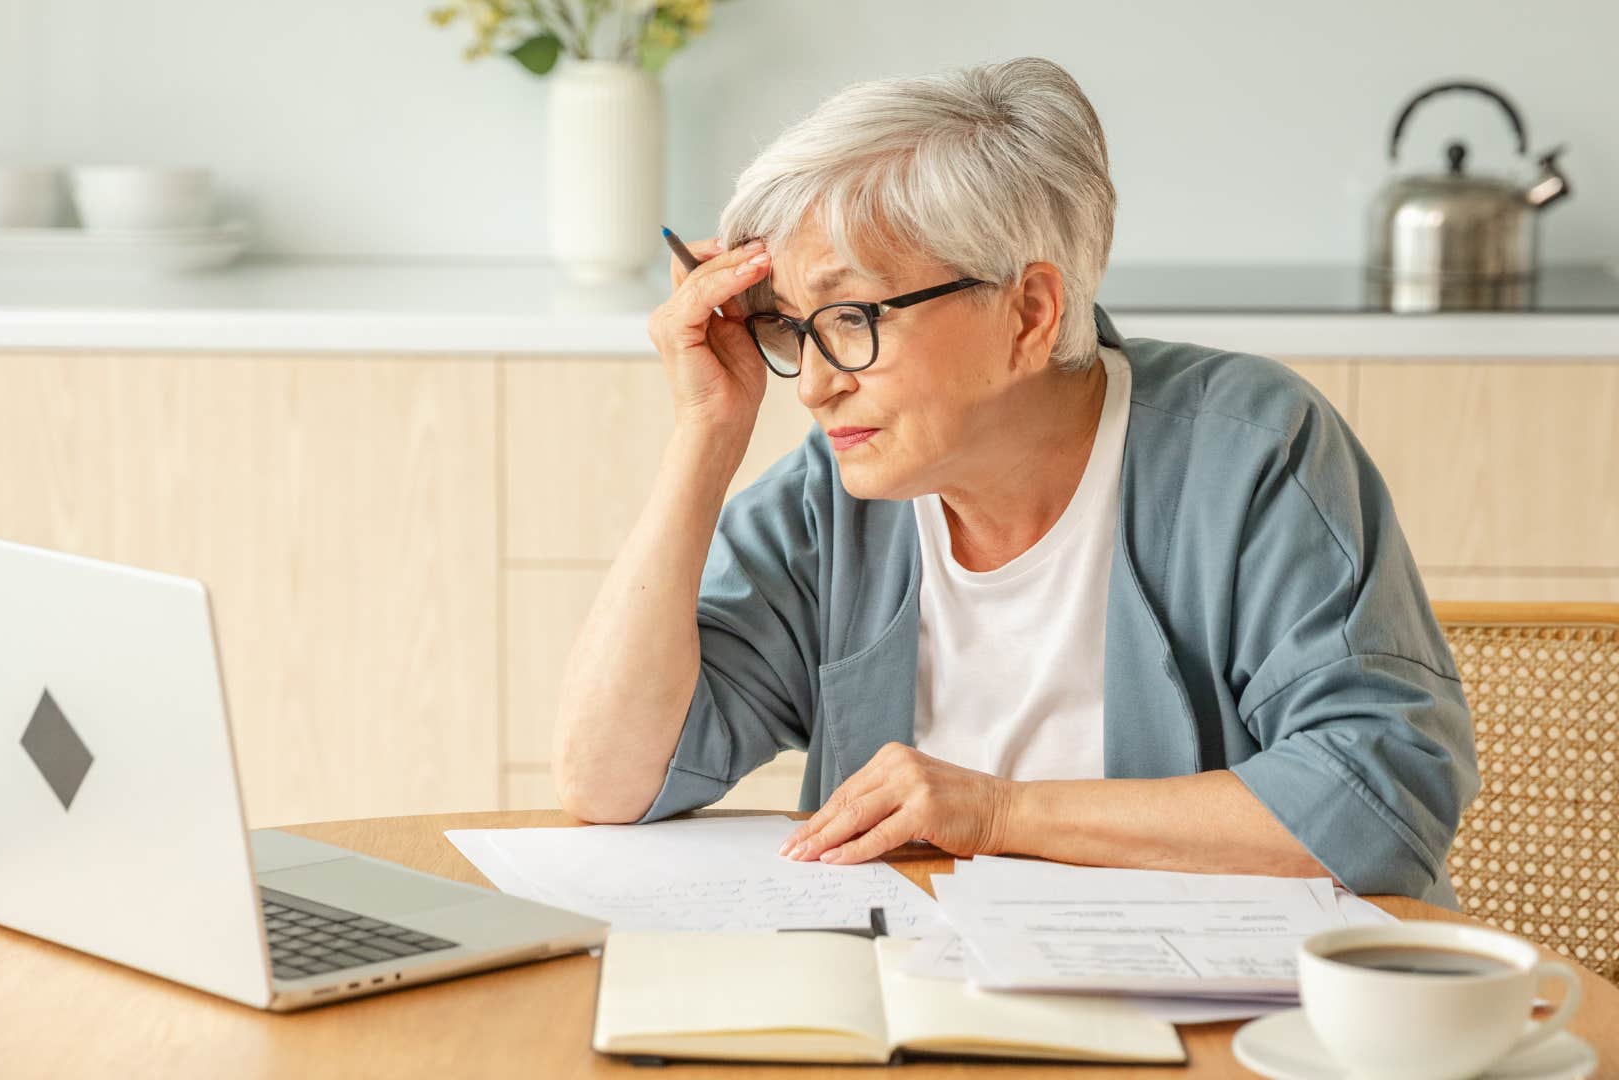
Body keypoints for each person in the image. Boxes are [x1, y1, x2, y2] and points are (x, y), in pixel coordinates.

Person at [550, 58, 1477, 904]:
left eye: (850, 317)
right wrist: (705, 434)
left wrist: (1001, 816)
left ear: (1030, 313)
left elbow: (1380, 797)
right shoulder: (836, 499)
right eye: (793, 326)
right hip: (929, 998)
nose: (820, 383)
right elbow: (608, 779)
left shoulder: (1248, 450)